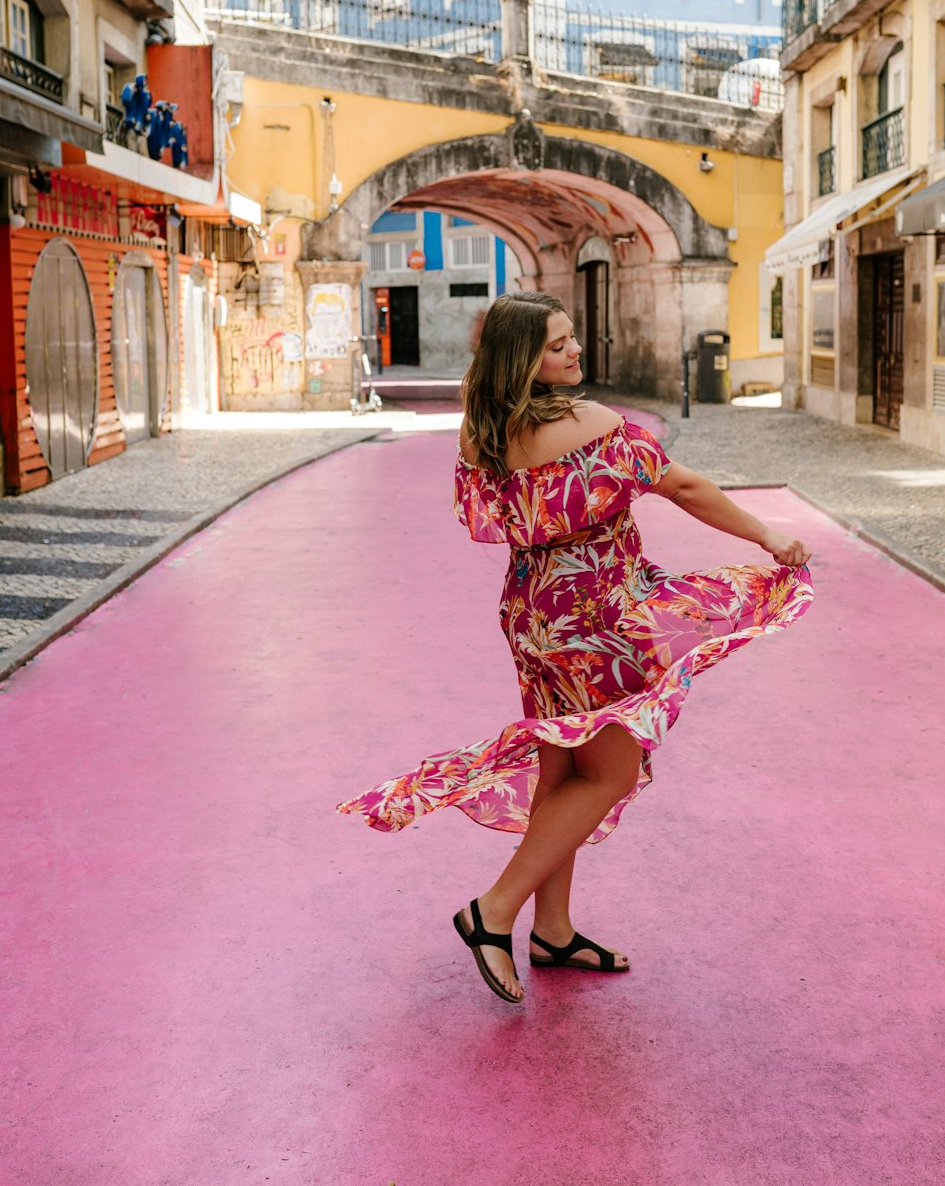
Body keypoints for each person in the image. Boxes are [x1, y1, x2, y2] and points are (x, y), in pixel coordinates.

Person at [338, 292, 813, 1005]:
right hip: (595, 618)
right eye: (559, 344)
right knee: (611, 773)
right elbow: (679, 483)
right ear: (525, 357)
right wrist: (767, 536)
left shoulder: (482, 431)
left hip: (534, 616)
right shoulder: (587, 423)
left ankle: (552, 930)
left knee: (562, 775)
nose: (576, 351)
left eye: (572, 339)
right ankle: (493, 911)